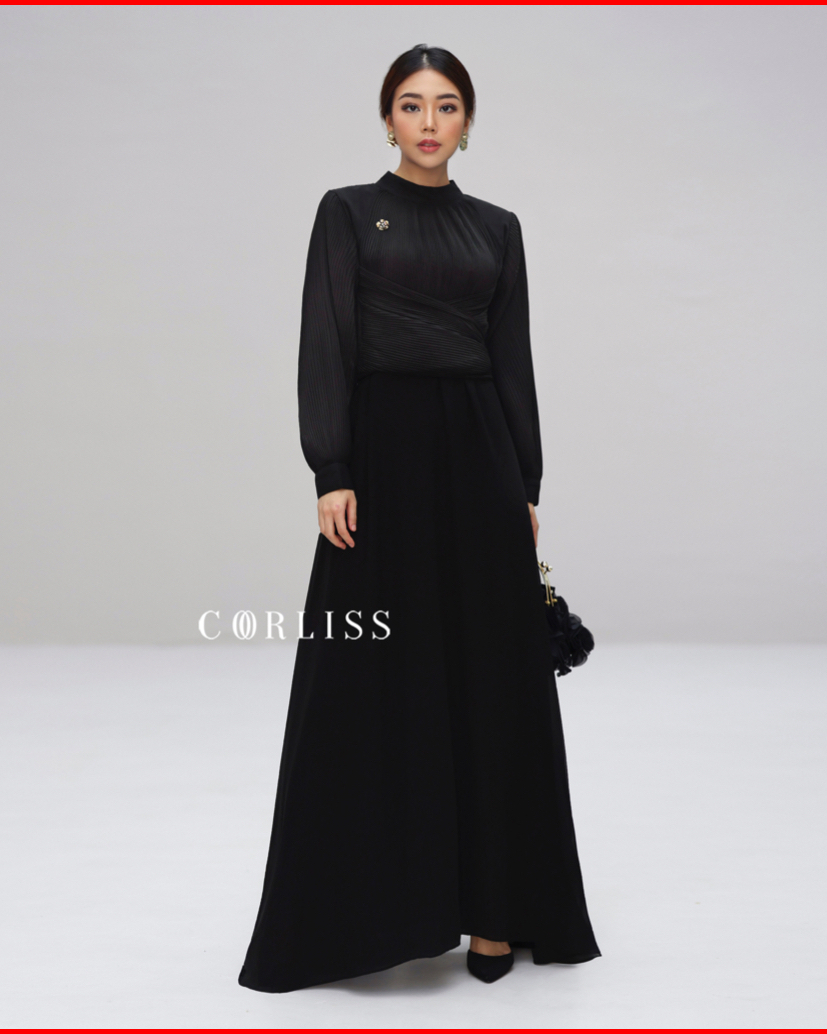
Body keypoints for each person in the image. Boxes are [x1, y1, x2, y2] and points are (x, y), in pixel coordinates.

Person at [238, 43, 600, 993]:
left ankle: (495, 912)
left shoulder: (497, 228)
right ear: (387, 118)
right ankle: (379, 911)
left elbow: (512, 359)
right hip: (382, 463)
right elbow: (326, 339)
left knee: (491, 683)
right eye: (411, 104)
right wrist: (332, 467)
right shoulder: (347, 211)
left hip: (480, 462)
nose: (428, 121)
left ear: (467, 122)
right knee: (373, 676)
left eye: (445, 105)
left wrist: (525, 484)